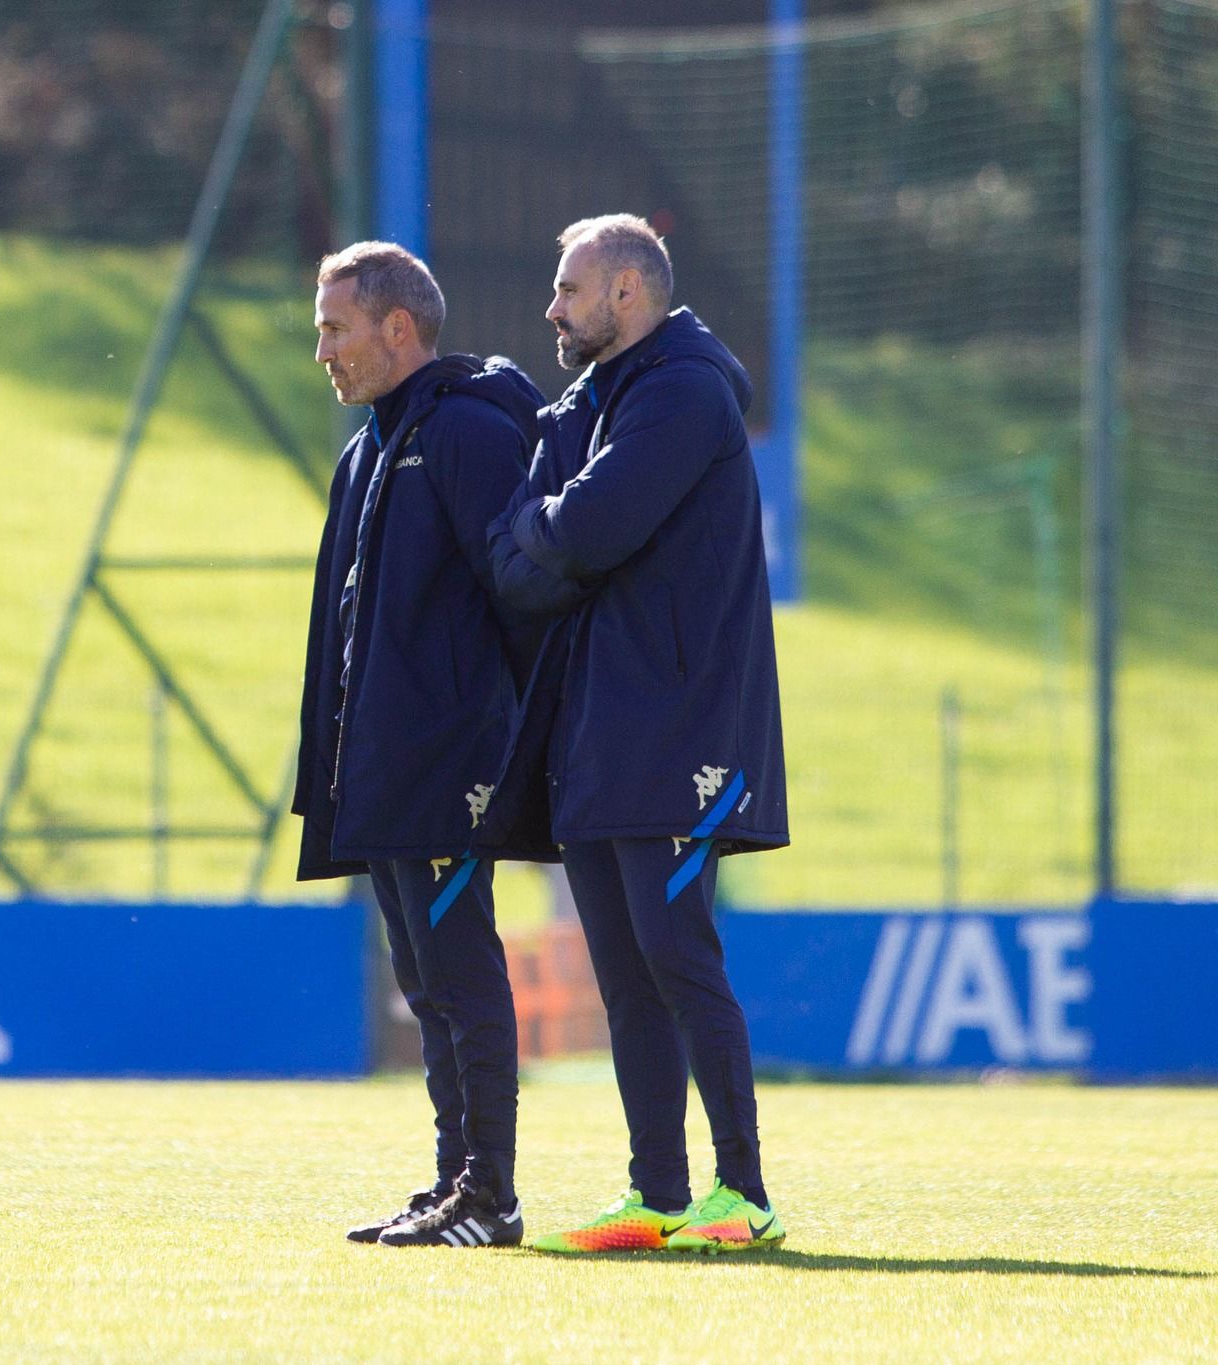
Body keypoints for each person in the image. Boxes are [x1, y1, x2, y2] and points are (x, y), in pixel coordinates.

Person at [489, 214, 791, 1253]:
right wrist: (548, 533)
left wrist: (550, 534)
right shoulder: (591, 400)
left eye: (566, 289)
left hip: (678, 725)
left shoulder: (680, 390)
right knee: (620, 969)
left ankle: (741, 1195)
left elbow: (582, 530)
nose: (551, 308)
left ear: (625, 293)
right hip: (599, 726)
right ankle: (657, 1194)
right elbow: (514, 550)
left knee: (675, 955)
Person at [293, 241, 582, 1249]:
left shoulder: (462, 433)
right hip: (381, 767)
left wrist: (492, 738)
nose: (320, 349)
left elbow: (519, 590)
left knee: (458, 977)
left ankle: (488, 1197)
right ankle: (448, 1184)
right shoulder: (368, 449)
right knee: (424, 985)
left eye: (333, 327)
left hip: (449, 761)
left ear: (396, 329)